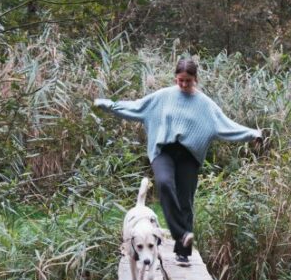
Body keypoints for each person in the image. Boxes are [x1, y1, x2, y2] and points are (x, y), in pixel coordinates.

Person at [95, 58, 262, 265]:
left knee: (185, 200)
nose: (183, 84)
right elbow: (136, 108)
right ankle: (181, 234)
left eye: (188, 81)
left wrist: (252, 134)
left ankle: (183, 253)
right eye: (180, 80)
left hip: (189, 156)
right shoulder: (163, 96)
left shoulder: (206, 105)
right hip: (163, 151)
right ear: (175, 78)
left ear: (195, 79)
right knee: (164, 183)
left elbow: (227, 126)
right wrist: (108, 105)